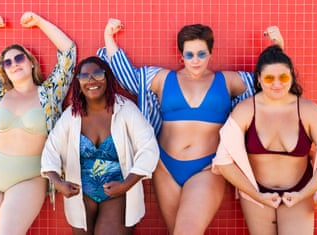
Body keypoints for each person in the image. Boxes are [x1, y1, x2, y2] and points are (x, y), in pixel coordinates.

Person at [97, 18, 284, 234]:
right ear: (181, 55)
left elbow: (270, 82)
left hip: (206, 168)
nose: (195, 60)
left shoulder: (227, 81)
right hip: (165, 167)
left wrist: (277, 47)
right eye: (189, 54)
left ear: (210, 53)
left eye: (201, 54)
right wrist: (108, 37)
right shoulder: (163, 79)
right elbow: (127, 77)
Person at [212, 45, 317, 235]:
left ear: (292, 77)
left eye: (283, 77)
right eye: (269, 78)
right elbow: (223, 160)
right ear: (259, 79)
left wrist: (303, 194)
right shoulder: (246, 110)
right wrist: (258, 196)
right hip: (256, 193)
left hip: (299, 191)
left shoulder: (308, 110)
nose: (277, 84)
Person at [0, 12, 76, 234]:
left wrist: (39, 22)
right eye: (7, 62)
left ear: (31, 63)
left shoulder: (49, 93)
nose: (14, 64)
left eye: (19, 58)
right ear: (4, 71)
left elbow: (68, 52)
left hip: (28, 178)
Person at [41, 57, 159, 234]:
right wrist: (58, 182)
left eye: (97, 74)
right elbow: (51, 150)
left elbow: (149, 148)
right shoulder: (71, 115)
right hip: (81, 195)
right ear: (78, 82)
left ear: (108, 78)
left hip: (118, 193)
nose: (91, 80)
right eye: (84, 76)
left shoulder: (125, 109)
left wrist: (127, 184)